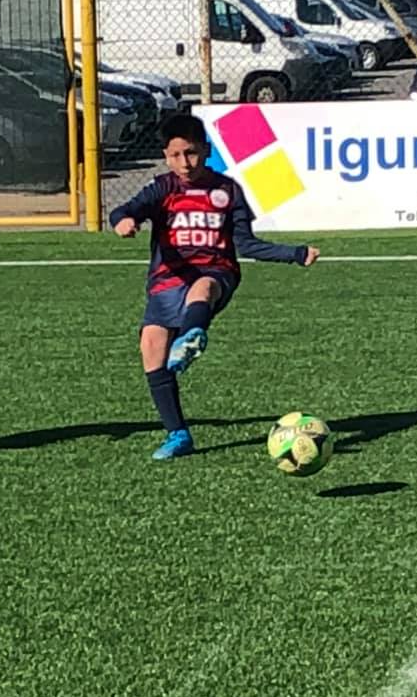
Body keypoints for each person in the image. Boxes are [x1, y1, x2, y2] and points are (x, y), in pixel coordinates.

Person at [109, 114, 320, 460]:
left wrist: (293, 254)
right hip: (167, 279)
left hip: (217, 271)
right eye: (176, 155)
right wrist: (123, 221)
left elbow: (246, 244)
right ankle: (178, 434)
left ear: (206, 151)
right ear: (166, 156)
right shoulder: (163, 187)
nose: (185, 163)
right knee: (151, 346)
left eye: (191, 153)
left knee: (202, 288)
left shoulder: (227, 190)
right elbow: (125, 209)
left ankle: (191, 336)